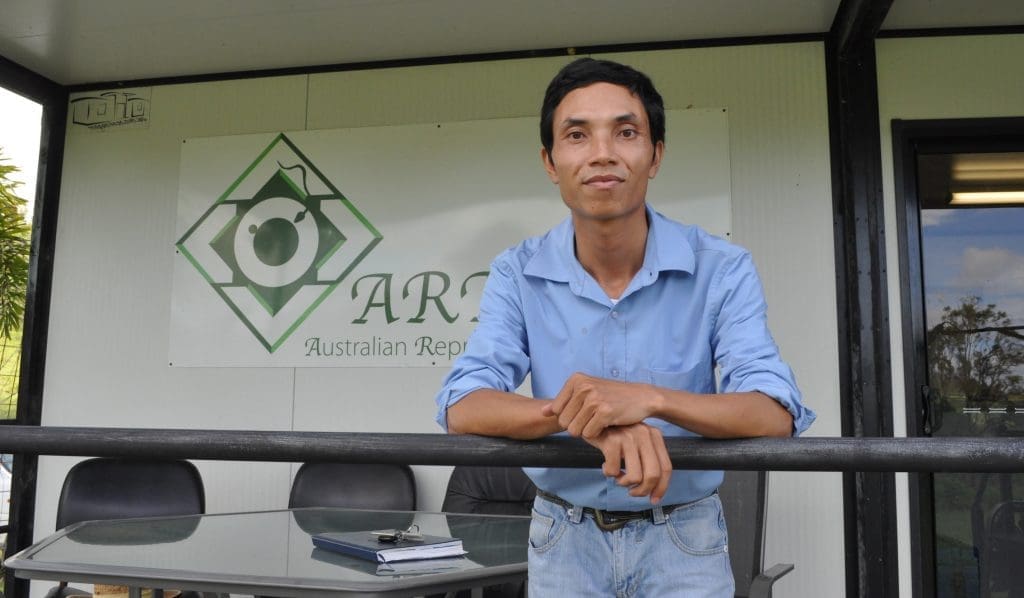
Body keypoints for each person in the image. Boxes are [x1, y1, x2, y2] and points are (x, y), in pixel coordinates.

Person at [434, 57, 815, 597]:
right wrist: (591, 414)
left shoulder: (722, 267)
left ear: (655, 154)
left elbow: (774, 412)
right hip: (562, 536)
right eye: (576, 135)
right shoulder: (516, 271)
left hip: (685, 535)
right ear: (550, 160)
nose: (602, 153)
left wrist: (648, 400)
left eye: (626, 131)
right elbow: (463, 403)